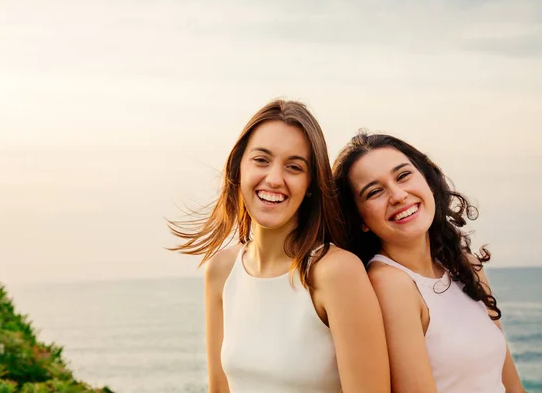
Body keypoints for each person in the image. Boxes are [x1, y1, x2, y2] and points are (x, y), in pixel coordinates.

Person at [168, 100, 389, 393]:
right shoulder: (221, 270)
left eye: (294, 167)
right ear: (238, 169)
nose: (274, 179)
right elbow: (219, 390)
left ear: (311, 183)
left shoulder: (336, 272)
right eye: (261, 160)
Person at [332, 131, 524, 393]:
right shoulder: (390, 282)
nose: (398, 195)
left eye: (403, 176)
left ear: (426, 180)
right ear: (360, 219)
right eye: (375, 191)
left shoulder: (465, 264)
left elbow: (511, 385)